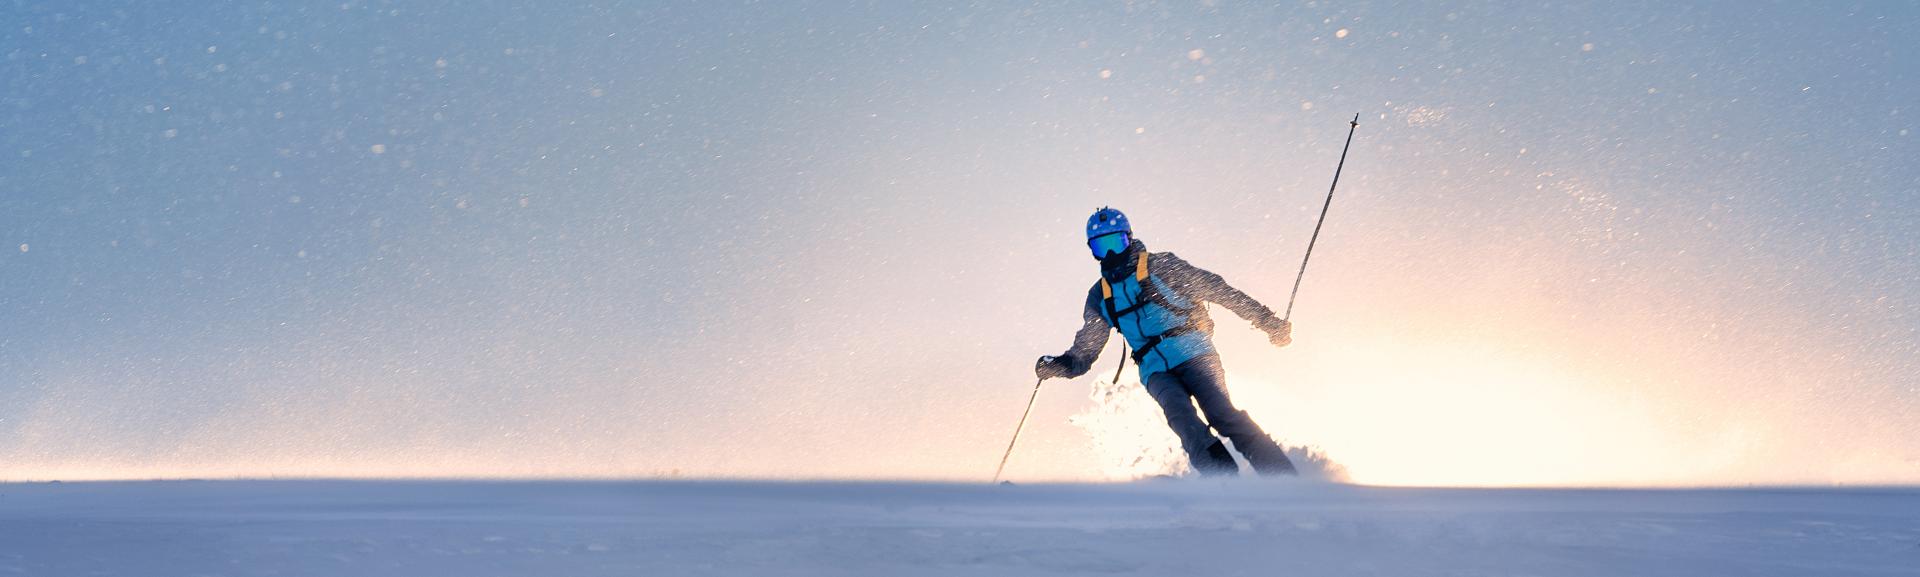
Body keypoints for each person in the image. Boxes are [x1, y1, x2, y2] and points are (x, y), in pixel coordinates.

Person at [1036, 207, 1298, 476]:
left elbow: (1219, 291)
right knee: (1184, 423)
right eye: (1103, 247)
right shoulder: (1100, 295)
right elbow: (1088, 346)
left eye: (1117, 243)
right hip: (1154, 370)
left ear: (1129, 238)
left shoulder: (1161, 266)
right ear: (1093, 251)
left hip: (1193, 351)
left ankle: (1283, 478)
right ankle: (1224, 483)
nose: (1112, 254)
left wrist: (1268, 322)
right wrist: (1063, 365)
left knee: (1221, 414)